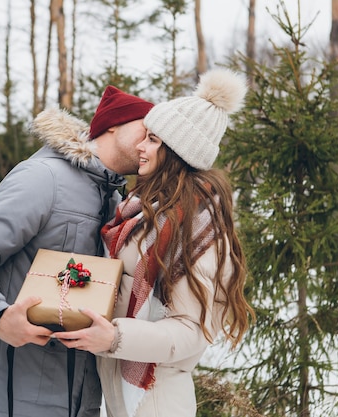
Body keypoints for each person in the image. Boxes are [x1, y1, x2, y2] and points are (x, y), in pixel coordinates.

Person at [53, 69, 256, 417]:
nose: (141, 147)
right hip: (125, 395)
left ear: (176, 150)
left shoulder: (197, 227)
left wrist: (114, 337)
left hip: (158, 400)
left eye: (153, 140)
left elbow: (191, 330)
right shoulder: (144, 211)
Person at [0, 86, 154, 417]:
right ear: (113, 124)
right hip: (15, 398)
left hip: (81, 400)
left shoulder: (112, 200)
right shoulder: (44, 177)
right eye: (146, 130)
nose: (149, 145)